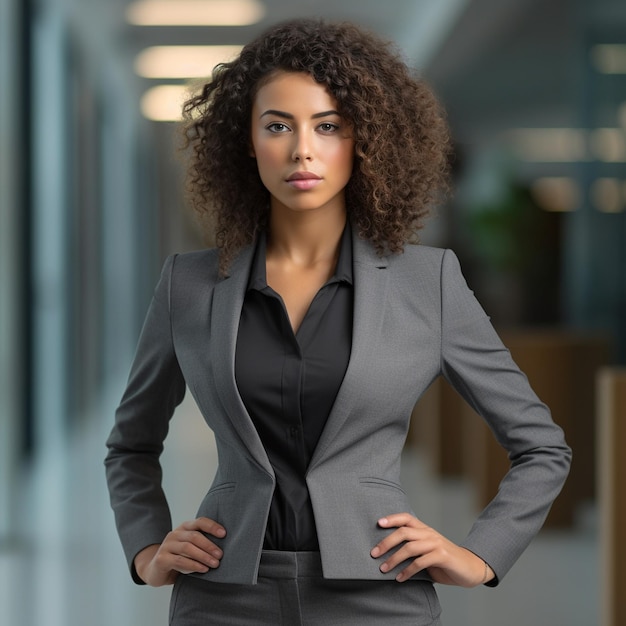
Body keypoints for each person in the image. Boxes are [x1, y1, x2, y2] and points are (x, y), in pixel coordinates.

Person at [105, 18, 571, 626]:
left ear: (364, 141)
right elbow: (131, 446)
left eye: (328, 127)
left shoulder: (427, 283)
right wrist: (146, 551)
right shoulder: (187, 286)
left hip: (379, 593)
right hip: (222, 594)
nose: (302, 149)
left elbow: (541, 448)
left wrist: (481, 556)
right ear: (247, 141)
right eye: (278, 126)